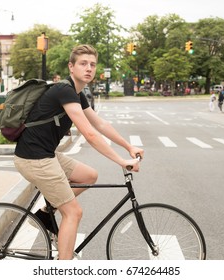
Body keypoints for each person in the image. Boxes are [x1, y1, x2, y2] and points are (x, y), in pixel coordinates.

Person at [13, 44, 143, 260]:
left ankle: (46, 214)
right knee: (73, 212)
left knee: (88, 176)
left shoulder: (77, 93)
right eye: (83, 64)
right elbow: (90, 135)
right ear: (71, 67)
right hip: (34, 158)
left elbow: (100, 125)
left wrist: (129, 146)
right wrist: (122, 161)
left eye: (92, 64)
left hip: (46, 154)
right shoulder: (64, 90)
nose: (89, 68)